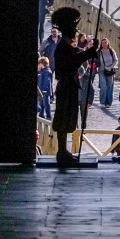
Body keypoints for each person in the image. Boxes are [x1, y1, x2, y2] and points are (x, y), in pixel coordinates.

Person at [48, 9, 86, 168]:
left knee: (66, 118)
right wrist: (89, 52)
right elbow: (74, 60)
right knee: (64, 119)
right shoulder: (63, 47)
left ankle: (63, 151)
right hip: (66, 86)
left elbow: (75, 57)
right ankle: (62, 152)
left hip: (68, 86)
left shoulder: (64, 46)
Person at [36, 55, 54, 121]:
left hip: (45, 91)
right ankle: (41, 115)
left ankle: (48, 116)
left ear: (42, 64)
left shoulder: (47, 71)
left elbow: (46, 81)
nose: (38, 65)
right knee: (41, 104)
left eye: (39, 63)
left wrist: (44, 89)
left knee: (47, 104)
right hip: (41, 90)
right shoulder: (41, 71)